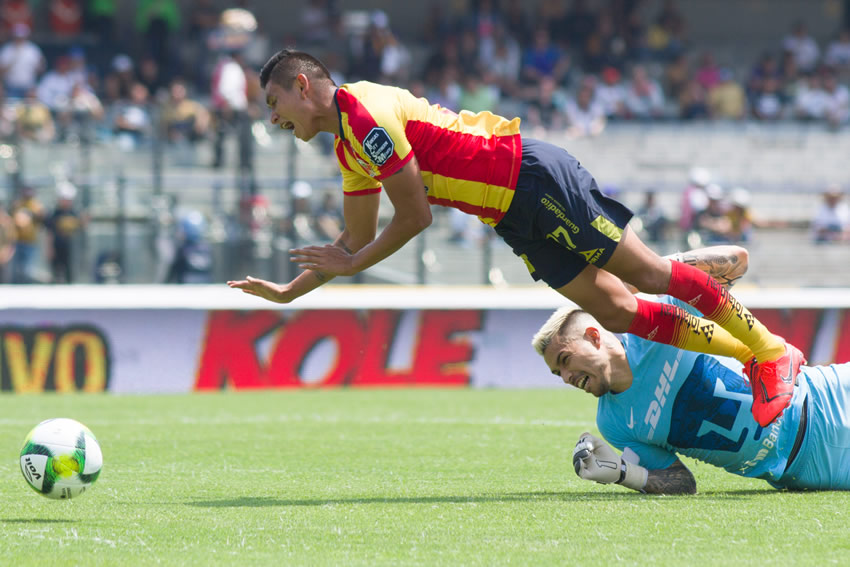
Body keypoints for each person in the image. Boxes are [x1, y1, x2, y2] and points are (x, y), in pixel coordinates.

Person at [227, 49, 804, 427]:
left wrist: (350, 268)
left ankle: (772, 351)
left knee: (648, 274)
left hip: (526, 177)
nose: (274, 118)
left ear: (302, 86)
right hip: (509, 212)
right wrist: (292, 291)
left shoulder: (364, 115)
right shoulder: (348, 146)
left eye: (274, 102)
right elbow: (352, 242)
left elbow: (413, 218)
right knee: (619, 311)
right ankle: (748, 358)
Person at [532, 245, 850, 493]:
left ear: (593, 335)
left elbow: (736, 260)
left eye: (564, 360)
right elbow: (681, 482)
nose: (566, 378)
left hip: (828, 394)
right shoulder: (613, 423)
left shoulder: (658, 318)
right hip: (812, 469)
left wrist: (635, 280)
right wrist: (623, 474)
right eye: (557, 374)